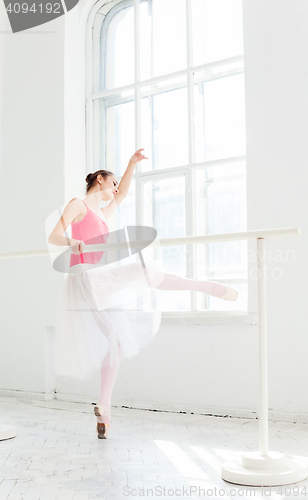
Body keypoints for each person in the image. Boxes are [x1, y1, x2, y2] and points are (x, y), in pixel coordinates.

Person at [48, 149, 238, 439]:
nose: (115, 190)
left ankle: (104, 410)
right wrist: (72, 241)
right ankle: (204, 286)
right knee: (143, 271)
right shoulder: (79, 204)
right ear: (99, 180)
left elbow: (123, 193)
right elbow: (54, 236)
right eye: (110, 184)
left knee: (117, 343)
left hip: (98, 282)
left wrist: (130, 165)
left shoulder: (102, 212)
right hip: (87, 276)